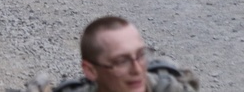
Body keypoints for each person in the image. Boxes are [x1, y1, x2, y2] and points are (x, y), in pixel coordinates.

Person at [31, 16, 199, 92]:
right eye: (121, 61)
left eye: (140, 55)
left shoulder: (169, 88)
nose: (137, 70)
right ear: (90, 70)